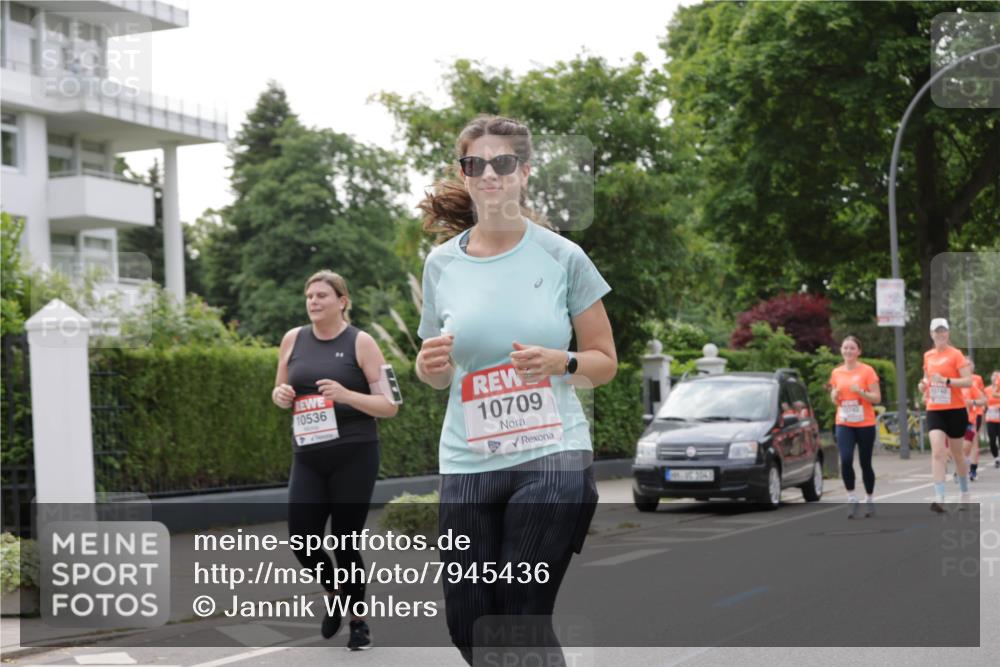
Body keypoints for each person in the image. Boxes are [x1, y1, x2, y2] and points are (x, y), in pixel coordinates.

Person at [415, 115, 615, 665]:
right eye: (474, 165)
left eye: (502, 163)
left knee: (521, 614)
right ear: (464, 173)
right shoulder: (441, 264)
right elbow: (436, 371)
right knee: (470, 623)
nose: (488, 175)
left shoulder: (562, 257)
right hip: (468, 459)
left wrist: (562, 360)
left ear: (524, 172)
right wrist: (428, 365)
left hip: (553, 453)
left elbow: (603, 362)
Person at [272, 270, 400, 650]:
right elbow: (280, 389)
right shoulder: (292, 339)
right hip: (308, 456)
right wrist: (279, 396)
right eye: (309, 295)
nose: (313, 301)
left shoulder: (362, 343)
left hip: (354, 454)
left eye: (322, 295)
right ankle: (335, 594)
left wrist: (346, 394)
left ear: (342, 301)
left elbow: (390, 405)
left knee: (345, 542)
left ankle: (358, 623)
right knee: (301, 540)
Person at [918, 318, 975, 513]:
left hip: (955, 409)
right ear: (931, 334)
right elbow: (927, 378)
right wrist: (923, 384)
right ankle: (940, 497)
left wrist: (946, 380)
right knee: (937, 451)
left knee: (958, 454)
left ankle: (964, 494)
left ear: (948, 333)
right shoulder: (928, 356)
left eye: (943, 331)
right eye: (936, 331)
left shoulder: (956, 355)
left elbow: (968, 382)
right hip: (935, 408)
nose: (940, 334)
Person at [828, 336, 881, 518]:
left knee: (865, 463)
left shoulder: (867, 371)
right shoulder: (836, 373)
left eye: (852, 348)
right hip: (844, 422)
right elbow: (835, 399)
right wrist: (834, 395)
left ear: (859, 351)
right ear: (841, 350)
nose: (848, 351)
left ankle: (869, 499)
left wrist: (861, 392)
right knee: (846, 458)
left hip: (865, 422)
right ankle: (851, 498)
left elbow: (876, 398)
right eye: (845, 348)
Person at [960, 365, 987, 481]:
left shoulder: (977, 379)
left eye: (968, 364)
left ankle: (973, 470)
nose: (966, 367)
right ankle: (961, 467)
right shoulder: (956, 380)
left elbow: (982, 397)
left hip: (976, 413)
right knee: (963, 445)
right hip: (960, 416)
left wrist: (974, 403)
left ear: (972, 367)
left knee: (974, 442)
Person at [985, 371, 1000, 469]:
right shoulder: (986, 390)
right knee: (992, 440)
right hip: (990, 418)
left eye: (997, 376)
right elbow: (983, 401)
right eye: (993, 375)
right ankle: (996, 458)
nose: (995, 377)